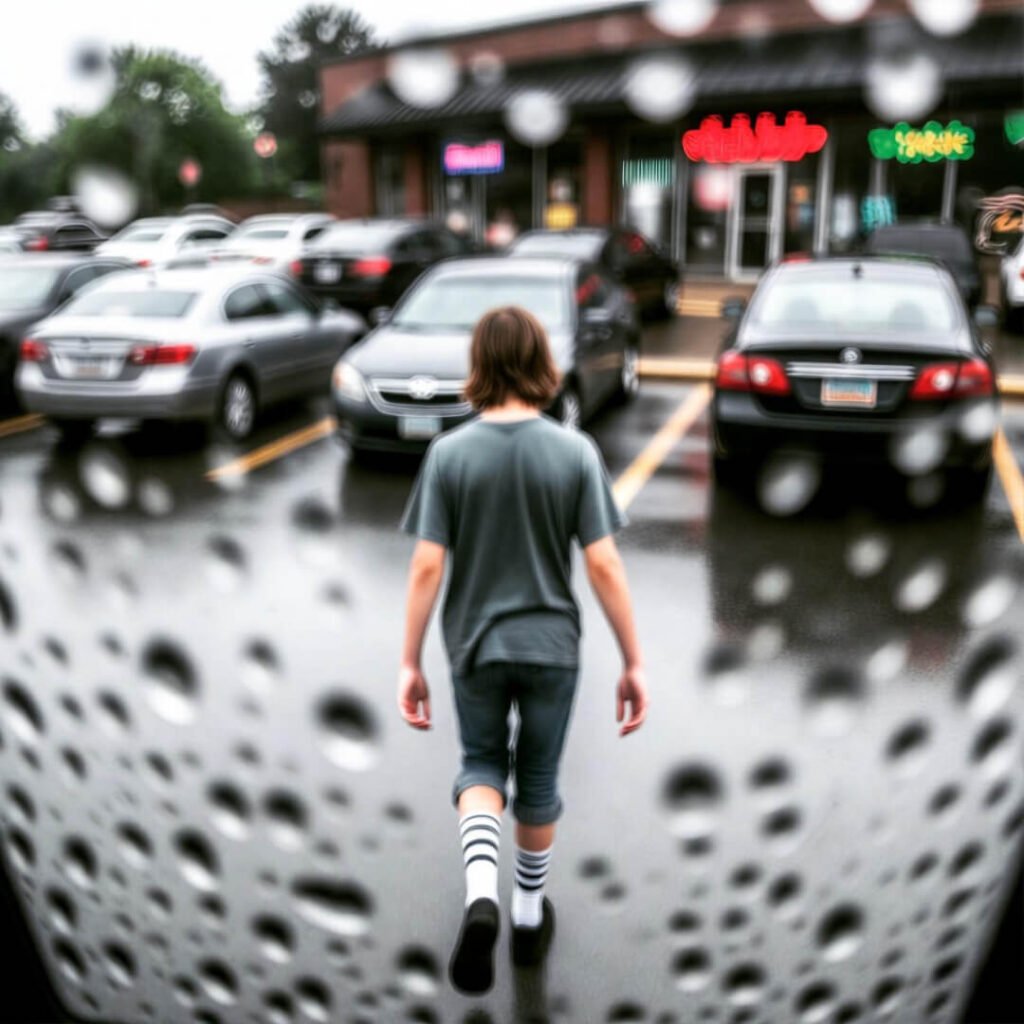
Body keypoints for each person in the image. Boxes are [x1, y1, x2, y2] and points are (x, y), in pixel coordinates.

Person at [397, 305, 649, 995]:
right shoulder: (574, 451)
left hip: (473, 644)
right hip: (552, 649)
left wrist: (409, 662)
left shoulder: (448, 454)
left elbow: (426, 569)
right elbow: (603, 567)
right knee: (537, 781)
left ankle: (483, 895)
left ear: (478, 364)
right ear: (541, 362)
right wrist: (633, 661)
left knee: (480, 763)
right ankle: (529, 918)